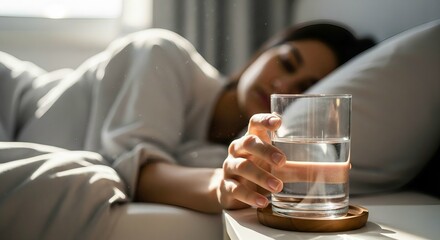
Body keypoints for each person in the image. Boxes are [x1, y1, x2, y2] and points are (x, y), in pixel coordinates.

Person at [0, 20, 374, 239]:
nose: (282, 86)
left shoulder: (237, 151)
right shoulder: (163, 52)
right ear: (262, 52)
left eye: (303, 89)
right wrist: (222, 184)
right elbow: (136, 171)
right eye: (285, 63)